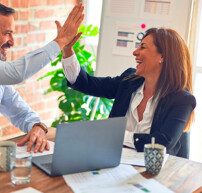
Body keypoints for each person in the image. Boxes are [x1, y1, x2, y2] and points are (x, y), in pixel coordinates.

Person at [0, 1, 84, 157]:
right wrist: (60, 41)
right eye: (7, 33)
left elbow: (21, 113)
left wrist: (37, 127)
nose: (12, 42)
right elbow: (15, 73)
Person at [61, 27, 196, 156]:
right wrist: (67, 50)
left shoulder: (182, 100)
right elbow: (85, 83)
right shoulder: (129, 81)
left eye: (143, 47)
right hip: (114, 162)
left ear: (163, 57)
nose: (135, 52)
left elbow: (162, 142)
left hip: (155, 172)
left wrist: (116, 135)